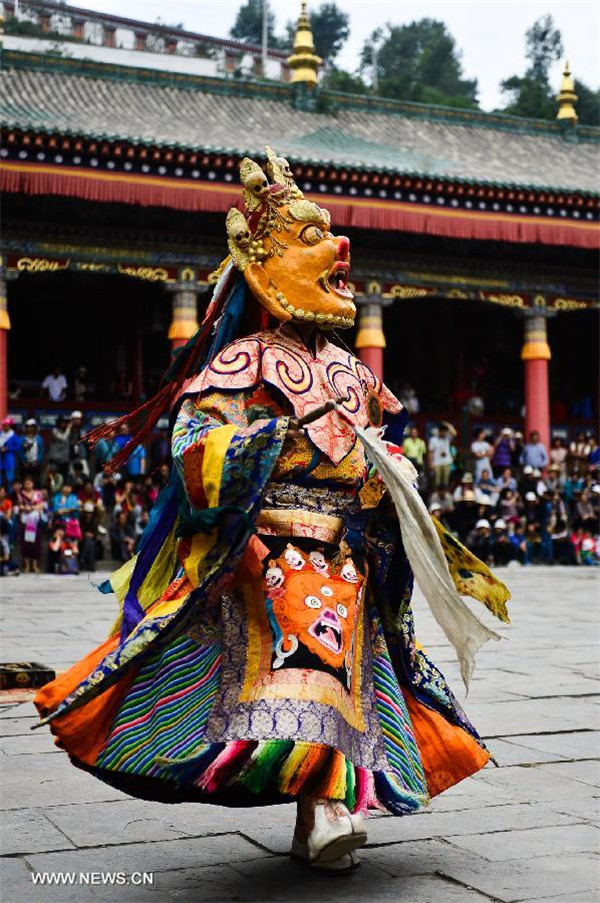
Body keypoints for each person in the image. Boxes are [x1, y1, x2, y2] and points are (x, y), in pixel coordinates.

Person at [34, 149, 509, 872]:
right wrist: (269, 443)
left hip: (346, 555)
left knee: (343, 679)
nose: (340, 248)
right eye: (313, 237)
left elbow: (374, 454)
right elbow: (193, 451)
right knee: (306, 666)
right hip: (269, 551)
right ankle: (325, 809)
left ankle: (321, 808)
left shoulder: (355, 375)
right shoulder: (244, 362)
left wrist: (392, 475)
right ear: (264, 265)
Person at [15, 477, 46, 573]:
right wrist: (25, 508)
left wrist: (32, 508)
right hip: (24, 521)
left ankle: (35, 565)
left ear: (33, 484)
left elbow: (42, 505)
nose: (28, 484)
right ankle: (27, 565)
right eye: (26, 483)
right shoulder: (20, 494)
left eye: (29, 483)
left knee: (36, 543)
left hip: (35, 522)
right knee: (25, 543)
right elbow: (19, 506)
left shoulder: (38, 494)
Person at [428, 421, 456, 489]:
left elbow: (454, 433)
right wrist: (430, 463)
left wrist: (448, 424)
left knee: (446, 482)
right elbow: (430, 452)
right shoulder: (433, 440)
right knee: (437, 482)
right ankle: (436, 494)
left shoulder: (447, 438)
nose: (444, 432)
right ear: (439, 431)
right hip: (436, 463)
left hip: (446, 462)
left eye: (445, 431)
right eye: (442, 431)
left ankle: (445, 494)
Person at [20, 419, 44, 485]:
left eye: (32, 427)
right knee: (24, 480)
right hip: (25, 464)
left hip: (36, 464)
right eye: (28, 427)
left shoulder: (39, 438)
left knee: (36, 480)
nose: (30, 429)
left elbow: (41, 451)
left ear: (35, 428)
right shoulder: (22, 438)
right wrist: (24, 462)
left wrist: (37, 461)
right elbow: (20, 451)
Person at [0, 417, 21, 488]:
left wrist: (8, 448)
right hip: (1, 459)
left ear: (10, 426)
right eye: (3, 425)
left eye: (5, 425)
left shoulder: (13, 435)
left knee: (10, 479)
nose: (4, 426)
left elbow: (18, 447)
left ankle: (10, 493)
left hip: (9, 460)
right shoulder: (1, 434)